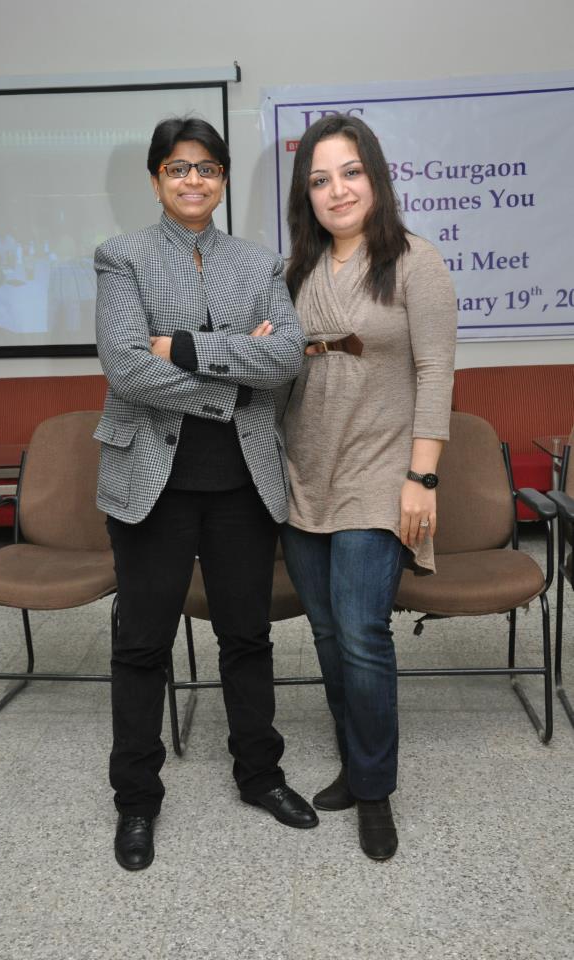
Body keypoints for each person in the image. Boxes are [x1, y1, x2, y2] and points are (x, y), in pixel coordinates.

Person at [94, 117, 318, 872]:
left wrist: (185, 347)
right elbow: (128, 369)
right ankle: (136, 799)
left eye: (208, 168)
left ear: (221, 179)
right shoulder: (122, 257)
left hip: (241, 484)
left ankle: (261, 775)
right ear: (156, 177)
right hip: (150, 484)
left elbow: (285, 358)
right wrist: (234, 376)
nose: (194, 180)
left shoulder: (258, 263)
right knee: (142, 645)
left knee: (247, 638)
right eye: (178, 167)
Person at [280, 114, 457, 861]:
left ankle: (375, 788)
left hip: (381, 473)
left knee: (360, 634)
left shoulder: (415, 260)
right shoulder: (295, 272)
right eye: (320, 179)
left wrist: (422, 477)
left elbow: (435, 372)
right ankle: (355, 764)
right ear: (306, 194)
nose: (337, 190)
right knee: (325, 633)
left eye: (350, 172)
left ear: (375, 176)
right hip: (303, 474)